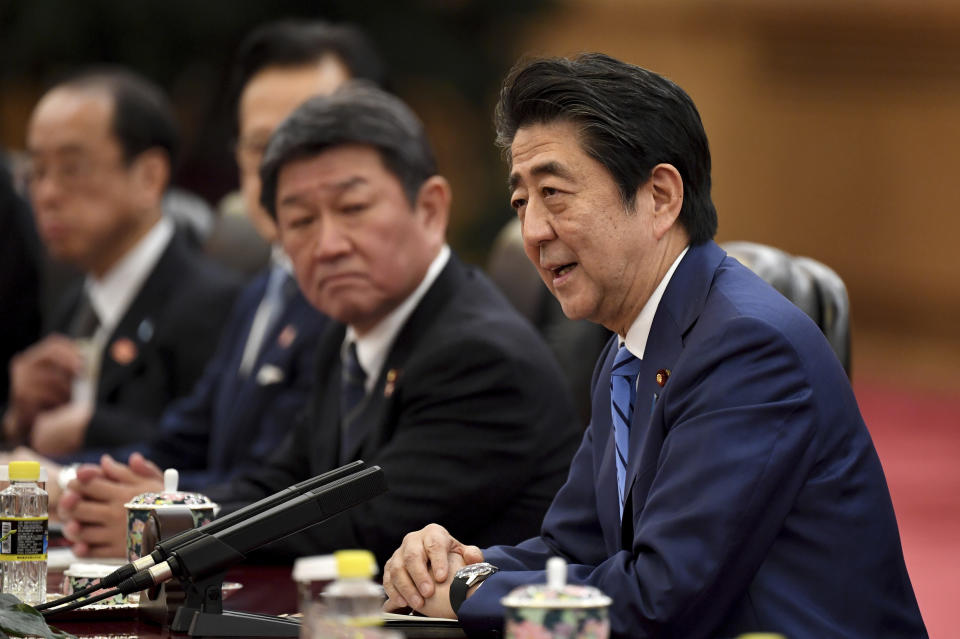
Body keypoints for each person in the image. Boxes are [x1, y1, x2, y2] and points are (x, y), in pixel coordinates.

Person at [382, 54, 927, 638]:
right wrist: (459, 568)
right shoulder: (628, 349)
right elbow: (574, 547)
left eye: (554, 193)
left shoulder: (747, 347)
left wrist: (470, 597)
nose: (533, 231)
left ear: (661, 196)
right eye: (522, 203)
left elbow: (658, 601)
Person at [206, 84, 578, 567]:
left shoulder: (480, 355)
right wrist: (174, 512)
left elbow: (363, 525)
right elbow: (282, 484)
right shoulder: (347, 328)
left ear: (430, 209)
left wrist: (187, 530)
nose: (327, 246)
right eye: (300, 221)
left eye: (353, 209)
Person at [50, 20, 386, 552]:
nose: (282, 168)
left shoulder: (359, 297)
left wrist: (167, 514)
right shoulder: (263, 287)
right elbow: (185, 440)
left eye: (312, 139)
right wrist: (59, 478)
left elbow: (288, 485)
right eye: (262, 146)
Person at [2, 69, 240, 457]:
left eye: (71, 168)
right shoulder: (77, 297)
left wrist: (92, 429)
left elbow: (209, 450)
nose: (46, 194)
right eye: (37, 172)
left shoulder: (211, 303)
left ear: (149, 176)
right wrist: (18, 414)